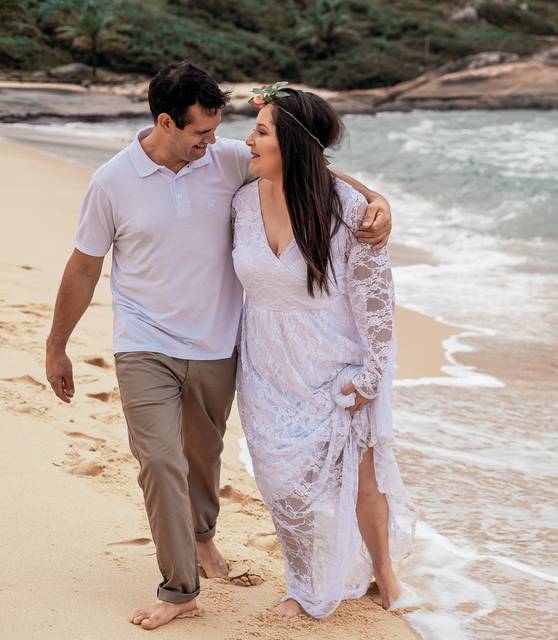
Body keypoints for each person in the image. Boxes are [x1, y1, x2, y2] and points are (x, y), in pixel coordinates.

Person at [44, 62, 392, 631]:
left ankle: (203, 536)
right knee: (159, 459)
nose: (214, 143)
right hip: (143, 342)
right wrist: (58, 346)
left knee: (203, 459)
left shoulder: (226, 160)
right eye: (201, 133)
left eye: (217, 130)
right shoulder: (112, 181)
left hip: (217, 345)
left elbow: (314, 170)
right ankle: (180, 587)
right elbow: (84, 266)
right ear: (165, 122)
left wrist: (377, 199)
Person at [232, 83, 416, 618]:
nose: (248, 140)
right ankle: (303, 581)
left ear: (290, 142)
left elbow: (376, 301)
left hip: (336, 360)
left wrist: (372, 373)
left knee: (362, 475)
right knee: (280, 478)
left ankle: (383, 572)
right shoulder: (241, 198)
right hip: (265, 360)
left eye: (261, 131)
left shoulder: (348, 211)